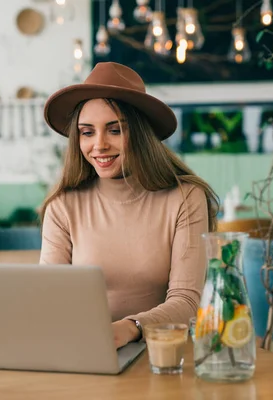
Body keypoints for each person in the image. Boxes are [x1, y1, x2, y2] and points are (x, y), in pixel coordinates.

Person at [40, 62, 219, 349]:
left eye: (114, 130)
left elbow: (186, 301)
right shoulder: (63, 206)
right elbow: (50, 296)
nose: (99, 145)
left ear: (140, 134)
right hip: (85, 348)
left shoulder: (186, 197)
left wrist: (130, 328)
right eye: (87, 132)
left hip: (163, 351)